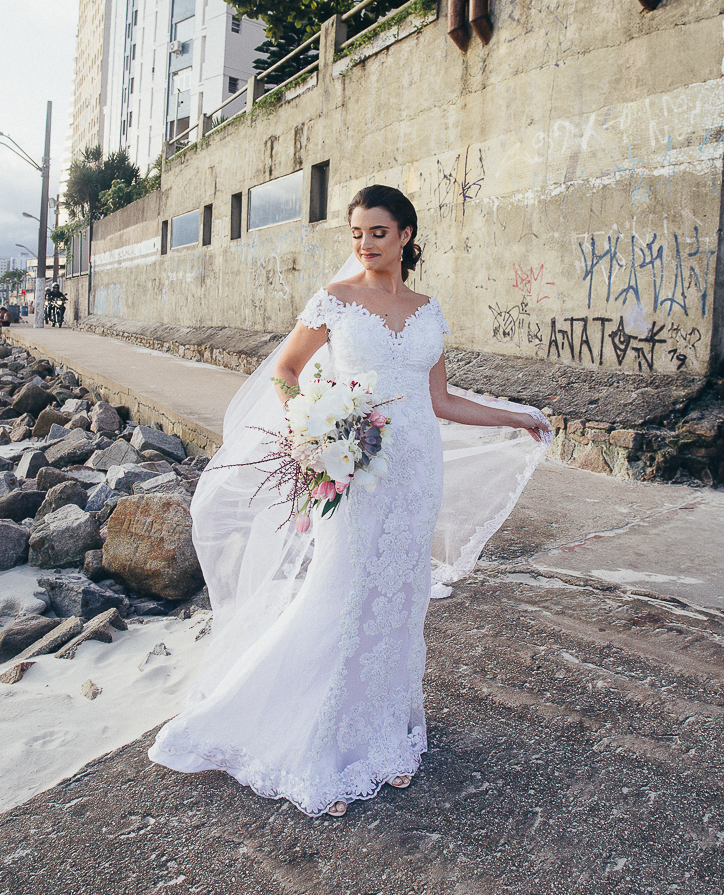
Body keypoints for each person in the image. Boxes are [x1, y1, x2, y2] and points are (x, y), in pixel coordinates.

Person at [148, 184, 552, 817]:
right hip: (355, 467)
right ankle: (319, 749)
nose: (365, 244)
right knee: (340, 594)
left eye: (378, 233)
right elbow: (286, 371)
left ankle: (384, 737)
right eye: (357, 234)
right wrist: (311, 430)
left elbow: (440, 401)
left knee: (399, 601)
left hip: (416, 474)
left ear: (406, 236)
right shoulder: (335, 300)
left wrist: (515, 415)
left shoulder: (428, 311)